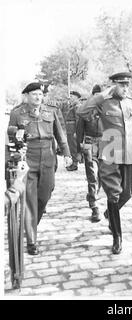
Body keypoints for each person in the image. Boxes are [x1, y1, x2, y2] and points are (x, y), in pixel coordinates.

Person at [77, 72, 132, 254]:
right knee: (113, 195)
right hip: (109, 155)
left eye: (127, 85)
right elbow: (82, 111)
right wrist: (102, 94)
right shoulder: (103, 102)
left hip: (130, 156)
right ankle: (117, 236)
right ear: (113, 85)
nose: (125, 88)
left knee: (128, 193)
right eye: (121, 85)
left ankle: (110, 213)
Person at [8, 82, 72, 255]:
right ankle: (31, 241)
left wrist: (67, 154)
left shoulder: (50, 111)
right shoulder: (17, 113)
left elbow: (60, 134)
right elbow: (11, 138)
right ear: (27, 96)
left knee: (45, 195)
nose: (38, 97)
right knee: (29, 199)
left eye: (40, 94)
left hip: (48, 157)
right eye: (34, 94)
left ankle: (30, 224)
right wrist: (12, 156)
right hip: (28, 157)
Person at [76, 84, 103, 222]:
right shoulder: (85, 110)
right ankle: (94, 206)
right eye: (96, 95)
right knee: (92, 176)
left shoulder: (109, 110)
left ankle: (93, 194)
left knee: (103, 177)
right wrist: (78, 152)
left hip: (106, 145)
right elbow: (79, 132)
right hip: (89, 144)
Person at [64, 90, 81, 171]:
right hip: (70, 130)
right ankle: (74, 162)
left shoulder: (77, 106)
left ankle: (75, 164)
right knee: (72, 147)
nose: (70, 98)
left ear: (77, 98)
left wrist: (77, 131)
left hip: (73, 130)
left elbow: (78, 120)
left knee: (74, 148)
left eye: (72, 97)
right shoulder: (72, 106)